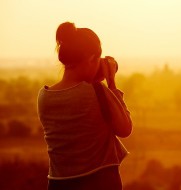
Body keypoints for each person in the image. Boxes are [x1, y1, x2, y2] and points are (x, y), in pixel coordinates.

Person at [37, 22, 132, 190]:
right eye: (97, 60)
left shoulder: (44, 96)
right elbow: (125, 128)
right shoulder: (97, 91)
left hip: (58, 183)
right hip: (99, 181)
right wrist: (111, 82)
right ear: (90, 59)